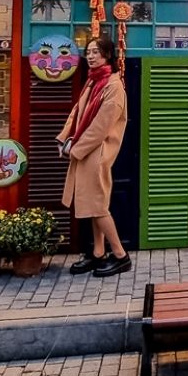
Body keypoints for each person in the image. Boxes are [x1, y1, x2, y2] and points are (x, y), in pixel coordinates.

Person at [60, 34, 132, 278]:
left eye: (95, 52)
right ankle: (98, 253)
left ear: (107, 55)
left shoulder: (113, 86)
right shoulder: (92, 82)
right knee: (91, 204)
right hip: (85, 150)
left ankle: (121, 255)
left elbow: (100, 127)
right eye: (88, 52)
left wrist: (75, 148)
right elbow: (77, 112)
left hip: (97, 152)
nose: (90, 56)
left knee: (98, 206)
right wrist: (65, 138)